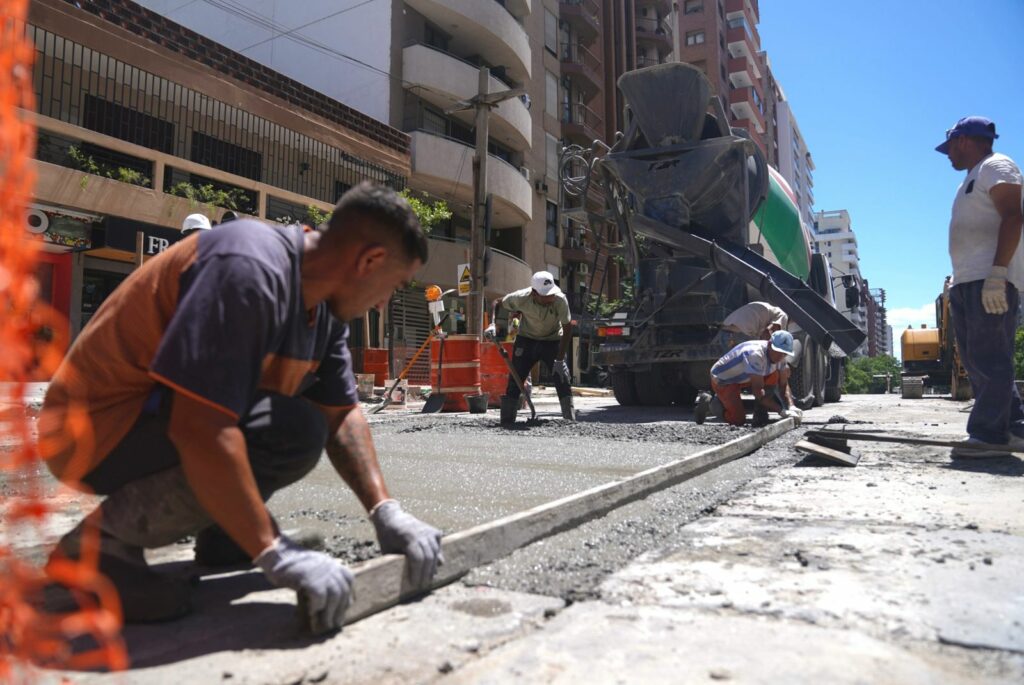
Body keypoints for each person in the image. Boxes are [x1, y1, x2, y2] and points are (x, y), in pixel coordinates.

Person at [39, 182, 443, 632]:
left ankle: (226, 533)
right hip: (91, 430)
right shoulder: (248, 268)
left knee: (299, 428)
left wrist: (384, 510)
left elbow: (340, 414)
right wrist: (273, 549)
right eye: (395, 285)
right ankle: (96, 549)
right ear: (369, 261)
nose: (385, 302)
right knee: (286, 428)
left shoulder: (325, 309)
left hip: (152, 422)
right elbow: (201, 426)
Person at [937, 116, 1024, 458]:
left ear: (962, 140)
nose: (948, 155)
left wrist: (998, 274)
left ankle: (989, 435)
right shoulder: (972, 177)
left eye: (949, 148)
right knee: (978, 360)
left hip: (988, 280)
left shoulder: (996, 166)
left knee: (989, 359)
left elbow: (1014, 216)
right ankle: (1013, 428)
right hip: (969, 280)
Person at [485, 271, 575, 422]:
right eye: (546, 296)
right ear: (534, 293)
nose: (550, 298)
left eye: (551, 294)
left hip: (552, 340)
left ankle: (569, 419)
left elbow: (567, 327)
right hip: (527, 340)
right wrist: (492, 323)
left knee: (562, 378)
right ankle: (507, 421)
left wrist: (559, 360)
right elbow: (496, 302)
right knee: (515, 379)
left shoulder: (560, 300)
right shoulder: (521, 297)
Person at [694, 330, 802, 427]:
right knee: (738, 420)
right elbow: (758, 392)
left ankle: (760, 414)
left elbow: (784, 384)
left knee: (775, 375)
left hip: (745, 376)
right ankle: (710, 404)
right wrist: (781, 411)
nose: (780, 356)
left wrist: (791, 406)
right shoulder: (755, 354)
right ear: (769, 345)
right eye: (778, 352)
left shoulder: (780, 356)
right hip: (724, 380)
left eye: (784, 354)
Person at [721, 301, 789, 341]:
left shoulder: (772, 309)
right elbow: (768, 332)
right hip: (741, 332)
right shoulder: (784, 315)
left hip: (726, 327)